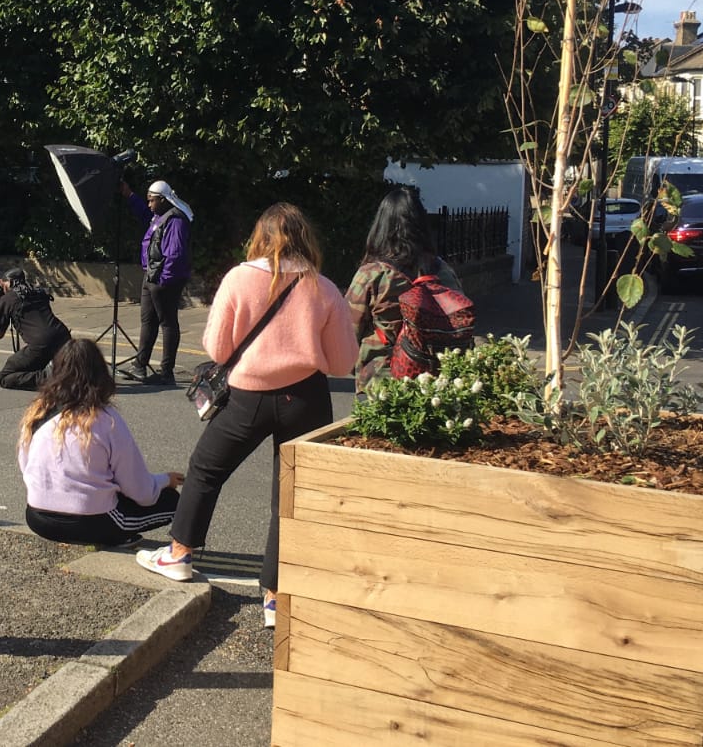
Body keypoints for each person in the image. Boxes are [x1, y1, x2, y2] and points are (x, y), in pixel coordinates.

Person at [135, 203, 357, 630]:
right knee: (288, 496)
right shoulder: (324, 288)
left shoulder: (239, 278)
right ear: (304, 239)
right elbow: (343, 362)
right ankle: (275, 596)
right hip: (307, 397)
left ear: (261, 237)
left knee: (205, 469)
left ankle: (179, 555)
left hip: (248, 394)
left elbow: (218, 350)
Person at [19, 338, 184, 546]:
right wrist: (164, 480)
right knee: (173, 502)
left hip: (38, 517)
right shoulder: (106, 419)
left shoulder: (38, 412)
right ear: (100, 373)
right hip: (91, 521)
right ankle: (117, 536)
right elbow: (140, 491)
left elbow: (26, 467)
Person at [345, 187, 464, 392]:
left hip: (381, 378)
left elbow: (347, 331)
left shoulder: (372, 274)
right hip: (435, 379)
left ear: (382, 225)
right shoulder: (443, 271)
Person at [118, 179, 192, 386]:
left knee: (167, 323)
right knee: (147, 321)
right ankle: (140, 366)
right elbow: (145, 215)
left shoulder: (175, 221)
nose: (149, 204)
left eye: (151, 201)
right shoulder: (159, 216)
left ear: (162, 199)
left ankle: (166, 372)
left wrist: (163, 281)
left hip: (163, 280)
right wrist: (129, 196)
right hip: (151, 276)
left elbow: (175, 254)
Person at [0, 267, 72, 390]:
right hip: (63, 337)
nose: (3, 288)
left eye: (4, 284)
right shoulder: (38, 292)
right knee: (36, 363)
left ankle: (49, 377)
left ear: (11, 283)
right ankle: (62, 371)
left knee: (5, 377)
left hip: (41, 344)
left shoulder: (7, 299)